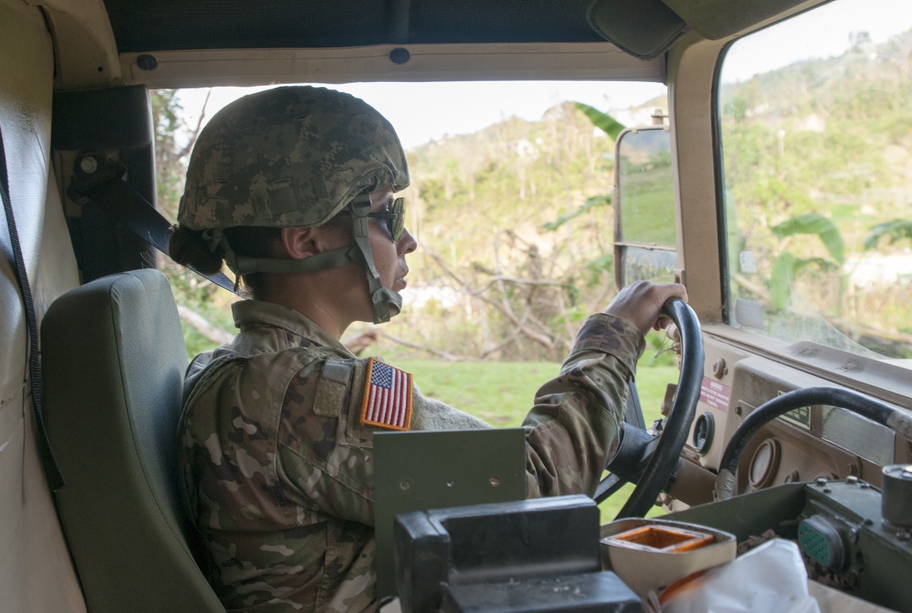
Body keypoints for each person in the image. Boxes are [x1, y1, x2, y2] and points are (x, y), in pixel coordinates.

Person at [168, 85, 687, 612]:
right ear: (307, 241)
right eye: (385, 215)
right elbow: (533, 491)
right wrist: (612, 336)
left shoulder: (241, 369)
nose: (408, 239)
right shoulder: (304, 394)